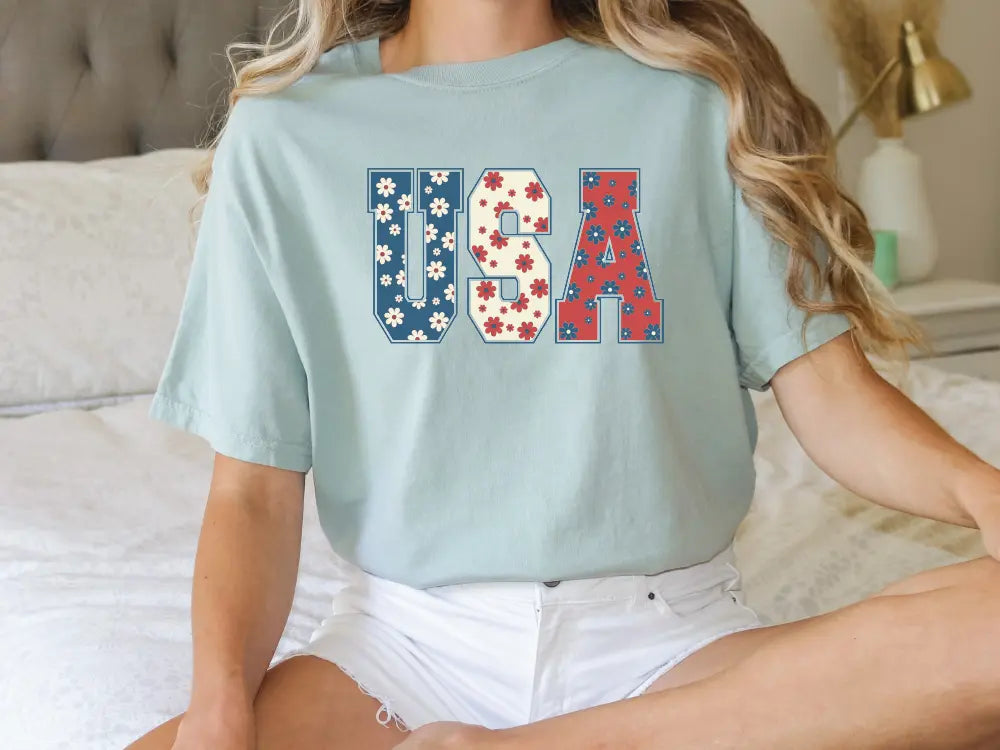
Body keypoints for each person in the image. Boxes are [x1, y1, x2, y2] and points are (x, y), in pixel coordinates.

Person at [127, 1, 1000, 748]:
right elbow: (252, 493)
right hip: (403, 649)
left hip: (671, 642)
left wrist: (981, 491)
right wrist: (219, 707)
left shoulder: (696, 102)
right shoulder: (288, 134)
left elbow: (833, 395)